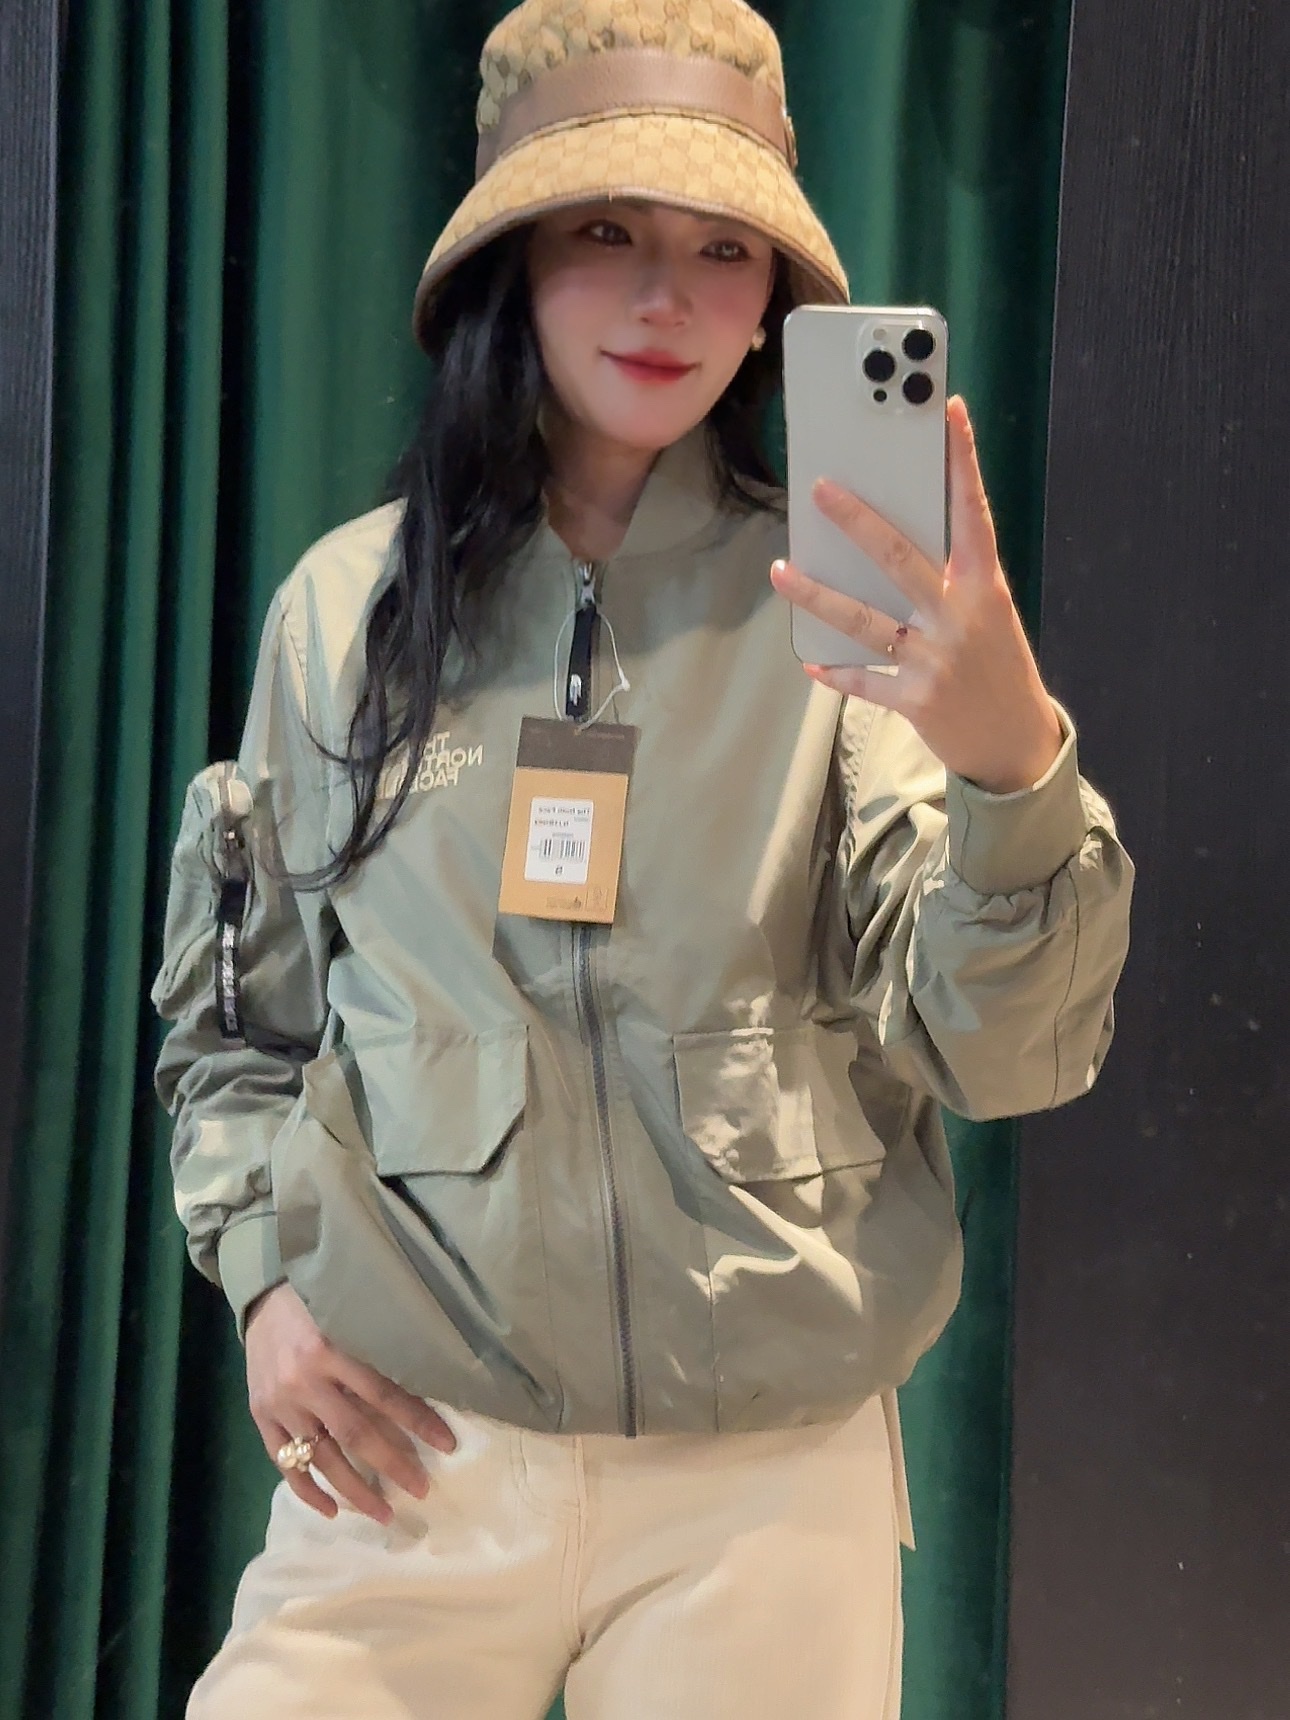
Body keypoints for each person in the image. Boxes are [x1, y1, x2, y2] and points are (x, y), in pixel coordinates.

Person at [153, 1, 1133, 1715]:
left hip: (765, 1489)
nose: (666, 297)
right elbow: (241, 1028)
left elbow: (1004, 1056)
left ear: (774, 305)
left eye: (721, 248)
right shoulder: (343, 613)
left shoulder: (852, 627)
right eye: (603, 232)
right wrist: (262, 1294)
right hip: (412, 1461)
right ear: (511, 265)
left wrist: (1009, 763)